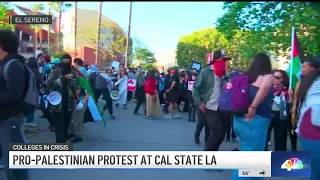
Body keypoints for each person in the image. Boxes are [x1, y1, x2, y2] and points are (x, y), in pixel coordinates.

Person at [231, 53, 274, 180]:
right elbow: (265, 87)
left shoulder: (246, 76)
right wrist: (253, 106)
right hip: (256, 121)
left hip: (239, 120)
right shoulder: (267, 76)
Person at [0, 29, 30, 180]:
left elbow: (14, 95)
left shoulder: (13, 65)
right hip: (5, 119)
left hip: (11, 120)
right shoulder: (5, 63)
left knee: (14, 165)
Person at [193, 50, 231, 149]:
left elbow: (229, 89)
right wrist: (199, 103)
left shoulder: (225, 74)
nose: (227, 62)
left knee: (222, 134)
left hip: (222, 108)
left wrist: (227, 74)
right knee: (217, 131)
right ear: (218, 60)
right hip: (209, 107)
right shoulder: (206, 72)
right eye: (225, 60)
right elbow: (195, 88)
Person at [295, 59, 320, 180]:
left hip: (307, 133)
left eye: (304, 66)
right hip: (314, 134)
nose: (302, 69)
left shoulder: (311, 81)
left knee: (315, 170)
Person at [47, 53, 80, 143]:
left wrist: (78, 89)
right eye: (64, 62)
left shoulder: (74, 74)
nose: (66, 64)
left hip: (69, 105)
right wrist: (63, 79)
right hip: (57, 105)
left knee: (66, 127)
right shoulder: (55, 72)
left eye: (68, 62)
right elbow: (50, 85)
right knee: (59, 128)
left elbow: (77, 85)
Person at [265, 70, 290, 151]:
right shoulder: (268, 88)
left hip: (281, 116)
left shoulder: (288, 91)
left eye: (277, 77)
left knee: (280, 140)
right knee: (264, 138)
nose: (274, 79)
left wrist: (292, 97)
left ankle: (279, 160)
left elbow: (291, 105)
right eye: (273, 76)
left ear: (283, 79)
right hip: (268, 115)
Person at [24, 57, 42, 135]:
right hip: (35, 90)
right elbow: (39, 80)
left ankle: (26, 122)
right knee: (32, 105)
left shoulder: (26, 69)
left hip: (26, 90)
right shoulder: (37, 71)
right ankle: (29, 121)